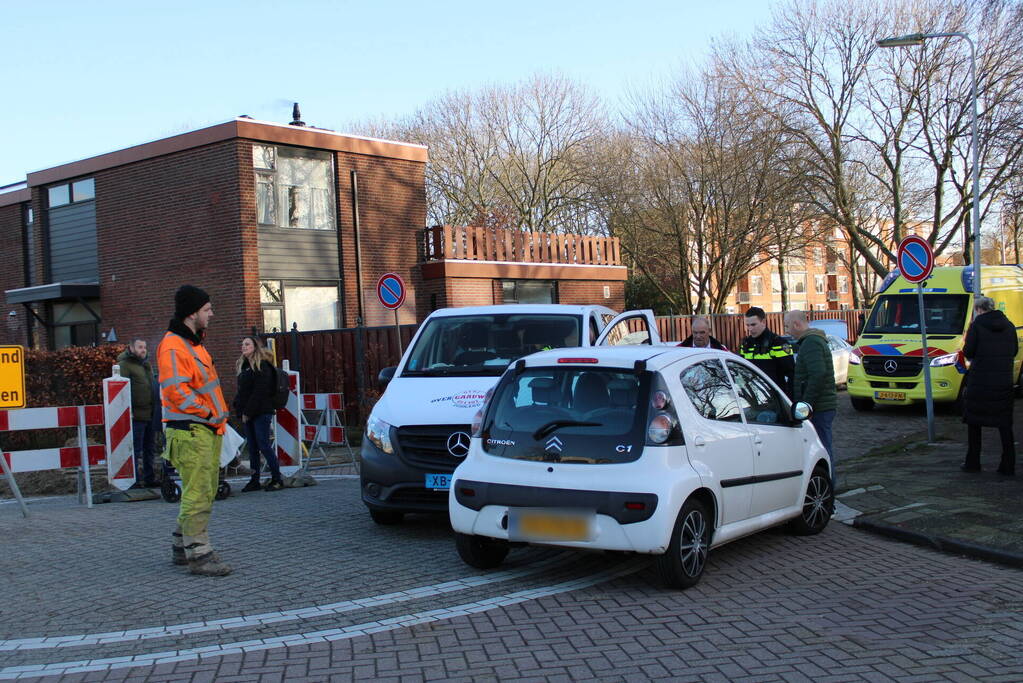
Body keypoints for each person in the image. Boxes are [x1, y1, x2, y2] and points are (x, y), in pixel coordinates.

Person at [157, 285, 232, 576]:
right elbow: (175, 391)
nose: (211, 313)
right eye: (206, 309)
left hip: (203, 429)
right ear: (192, 313)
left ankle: (182, 546)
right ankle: (199, 555)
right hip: (192, 429)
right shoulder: (174, 345)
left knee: (203, 490)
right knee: (198, 492)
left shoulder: (192, 344)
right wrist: (209, 413)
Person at [961, 296, 1018, 476]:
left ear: (978, 310)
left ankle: (973, 462)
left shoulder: (976, 326)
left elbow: (968, 351)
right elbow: (1014, 350)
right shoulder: (1009, 326)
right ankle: (1008, 465)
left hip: (980, 382)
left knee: (974, 423)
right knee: (1004, 425)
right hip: (1003, 382)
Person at [784, 310, 838, 485]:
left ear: (796, 324)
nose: (786, 331)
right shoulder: (811, 342)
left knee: (822, 451)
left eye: (787, 326)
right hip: (821, 405)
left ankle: (828, 494)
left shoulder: (811, 343)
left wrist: (806, 405)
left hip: (819, 408)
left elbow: (817, 374)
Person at [234, 336, 285, 492]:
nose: (244, 347)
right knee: (253, 447)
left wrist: (248, 412)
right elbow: (243, 392)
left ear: (255, 347)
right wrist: (238, 408)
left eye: (247, 344)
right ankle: (254, 480)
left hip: (261, 412)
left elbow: (260, 392)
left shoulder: (263, 367)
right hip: (248, 413)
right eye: (242, 344)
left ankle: (277, 479)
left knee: (263, 445)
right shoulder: (244, 367)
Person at [118, 338, 159, 488]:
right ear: (131, 348)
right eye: (140, 347)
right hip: (136, 415)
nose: (143, 350)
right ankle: (134, 480)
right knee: (135, 449)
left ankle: (149, 478)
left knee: (150, 448)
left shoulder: (146, 365)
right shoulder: (124, 366)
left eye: (145, 347)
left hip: (150, 414)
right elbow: (122, 391)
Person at [739, 307, 795, 398]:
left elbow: (791, 374)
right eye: (747, 325)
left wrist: (789, 400)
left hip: (775, 397)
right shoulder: (746, 344)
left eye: (753, 325)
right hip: (754, 396)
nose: (750, 329)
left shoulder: (778, 343)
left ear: (763, 322)